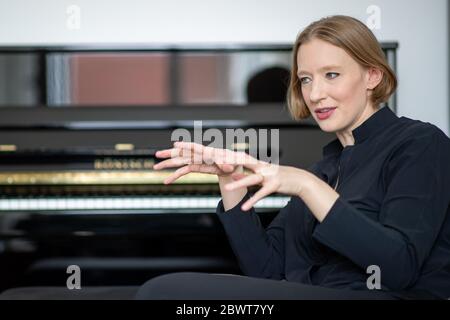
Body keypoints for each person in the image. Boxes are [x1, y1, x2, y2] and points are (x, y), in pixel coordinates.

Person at [136, 15, 450, 300]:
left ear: (372, 76)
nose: (314, 94)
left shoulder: (420, 143)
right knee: (134, 292)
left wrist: (306, 185)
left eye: (331, 74)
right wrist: (230, 179)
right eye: (306, 79)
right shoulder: (325, 167)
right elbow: (267, 272)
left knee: (162, 292)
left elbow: (399, 268)